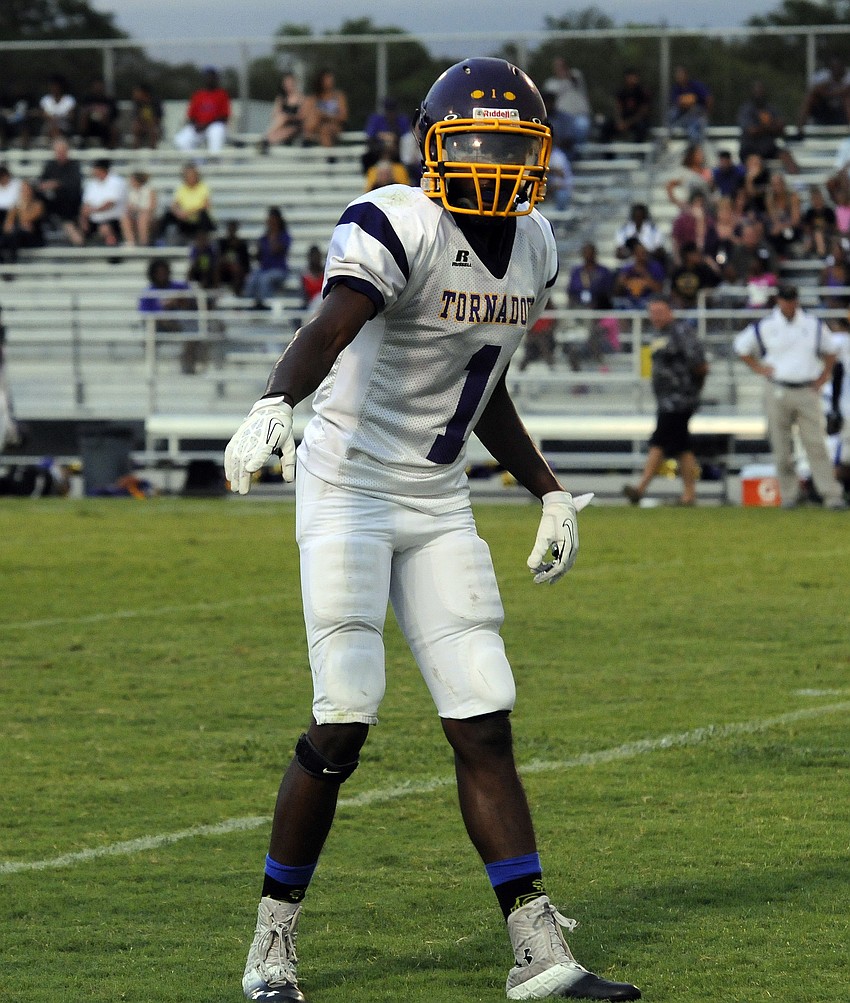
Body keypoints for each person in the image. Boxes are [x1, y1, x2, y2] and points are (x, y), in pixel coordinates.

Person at [223, 56, 641, 1003]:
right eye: (475, 143)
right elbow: (336, 317)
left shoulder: (535, 245)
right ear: (433, 148)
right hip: (348, 488)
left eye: (510, 145)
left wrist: (547, 489)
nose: (493, 162)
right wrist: (275, 399)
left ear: (538, 155)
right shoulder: (397, 219)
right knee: (344, 716)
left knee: (483, 712)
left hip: (438, 495)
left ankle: (537, 951)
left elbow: (480, 382)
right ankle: (270, 946)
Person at [733, 284, 847, 510]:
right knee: (781, 446)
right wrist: (759, 369)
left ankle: (830, 494)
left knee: (815, 444)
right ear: (779, 301)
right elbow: (741, 347)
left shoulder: (812, 324)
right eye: (785, 300)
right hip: (778, 388)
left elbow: (831, 349)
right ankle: (790, 495)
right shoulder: (766, 325)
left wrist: (824, 375)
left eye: (792, 299)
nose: (789, 304)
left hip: (806, 388)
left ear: (796, 300)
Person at [623, 296, 709, 506]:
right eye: (653, 313)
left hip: (678, 401)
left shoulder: (681, 332)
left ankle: (640, 488)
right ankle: (689, 495)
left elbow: (700, 365)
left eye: (660, 312)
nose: (656, 317)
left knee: (659, 441)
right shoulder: (658, 335)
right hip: (666, 400)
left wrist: (692, 391)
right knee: (682, 447)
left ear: (671, 311)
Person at [138, 257, 201, 375]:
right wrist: (163, 311)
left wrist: (177, 300)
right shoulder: (148, 292)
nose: (162, 275)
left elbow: (193, 303)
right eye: (159, 273)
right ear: (153, 274)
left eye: (164, 272)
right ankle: (151, 368)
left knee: (193, 326)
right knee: (150, 329)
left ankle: (188, 361)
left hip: (181, 322)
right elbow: (145, 314)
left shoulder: (179, 287)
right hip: (160, 326)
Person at [736, 80, 798, 175]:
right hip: (751, 149)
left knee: (786, 155)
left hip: (769, 148)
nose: (759, 94)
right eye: (757, 92)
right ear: (752, 93)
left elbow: (781, 126)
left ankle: (797, 182)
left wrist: (765, 127)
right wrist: (770, 126)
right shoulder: (746, 110)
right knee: (756, 162)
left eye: (761, 91)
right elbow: (752, 130)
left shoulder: (770, 108)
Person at [66, 158, 127, 247]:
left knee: (105, 228)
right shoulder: (91, 184)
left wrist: (93, 210)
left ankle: (113, 254)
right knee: (71, 225)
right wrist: (84, 218)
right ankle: (81, 248)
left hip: (113, 220)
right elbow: (86, 204)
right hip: (94, 219)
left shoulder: (116, 181)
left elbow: (110, 203)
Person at [241, 206, 291, 308]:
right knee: (251, 278)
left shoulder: (284, 236)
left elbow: (276, 249)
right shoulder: (264, 237)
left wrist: (273, 235)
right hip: (264, 269)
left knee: (265, 280)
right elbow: (258, 256)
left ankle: (265, 306)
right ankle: (248, 305)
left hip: (279, 270)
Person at [174, 67, 231, 154]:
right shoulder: (198, 94)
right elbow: (191, 116)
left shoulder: (222, 94)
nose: (209, 79)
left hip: (214, 126)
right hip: (199, 127)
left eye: (211, 77)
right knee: (180, 141)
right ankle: (198, 163)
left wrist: (206, 124)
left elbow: (224, 117)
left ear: (216, 79)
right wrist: (197, 125)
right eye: (207, 77)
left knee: (216, 133)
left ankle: (214, 161)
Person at [542, 56, 591, 156]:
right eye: (557, 66)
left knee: (582, 126)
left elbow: (575, 79)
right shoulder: (551, 83)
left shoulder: (575, 76)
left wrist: (565, 73)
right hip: (560, 117)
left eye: (561, 66)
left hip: (578, 115)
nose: (559, 68)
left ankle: (579, 154)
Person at [36, 138, 82, 241]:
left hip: (69, 202)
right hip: (53, 201)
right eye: (58, 152)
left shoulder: (74, 165)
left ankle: (71, 229)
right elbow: (41, 182)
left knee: (69, 196)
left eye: (62, 151)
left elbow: (75, 185)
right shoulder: (50, 165)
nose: (60, 154)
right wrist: (45, 185)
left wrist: (57, 184)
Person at [157, 163, 215, 244]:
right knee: (167, 215)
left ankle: (203, 243)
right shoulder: (181, 188)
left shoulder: (203, 187)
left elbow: (206, 205)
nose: (190, 177)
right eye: (188, 175)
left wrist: (189, 212)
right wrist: (179, 213)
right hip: (185, 220)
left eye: (192, 175)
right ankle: (160, 240)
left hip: (198, 220)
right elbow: (174, 206)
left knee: (203, 215)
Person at [797, 55, 850, 131]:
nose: (835, 69)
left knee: (847, 98)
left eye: (838, 67)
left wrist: (829, 92)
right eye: (833, 67)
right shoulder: (822, 76)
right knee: (810, 97)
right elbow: (814, 90)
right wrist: (832, 89)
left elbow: (846, 91)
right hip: (824, 110)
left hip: (842, 112)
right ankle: (799, 129)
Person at [0, 179, 47, 264]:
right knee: (9, 235)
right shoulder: (15, 206)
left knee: (15, 234)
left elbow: (25, 218)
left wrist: (21, 206)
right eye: (22, 190)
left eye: (26, 190)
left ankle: (11, 262)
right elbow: (7, 225)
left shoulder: (38, 205)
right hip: (17, 236)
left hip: (33, 237)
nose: (24, 192)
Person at [602, 67, 651, 144]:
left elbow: (642, 112)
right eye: (630, 77)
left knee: (642, 128)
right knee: (606, 126)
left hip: (636, 120)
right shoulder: (621, 91)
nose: (632, 79)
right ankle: (607, 154)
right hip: (623, 118)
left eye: (634, 77)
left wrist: (627, 123)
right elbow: (617, 108)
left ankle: (638, 153)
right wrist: (619, 122)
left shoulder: (642, 92)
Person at [300, 68, 348, 148]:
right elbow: (304, 115)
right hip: (316, 126)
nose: (329, 81)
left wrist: (325, 115)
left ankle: (330, 157)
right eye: (326, 79)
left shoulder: (338, 96)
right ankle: (307, 141)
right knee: (315, 118)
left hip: (334, 125)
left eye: (330, 78)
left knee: (325, 129)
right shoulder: (313, 98)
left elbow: (343, 117)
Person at [668, 65, 712, 145]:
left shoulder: (695, 86)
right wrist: (687, 103)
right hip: (683, 114)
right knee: (672, 113)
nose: (678, 77)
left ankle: (696, 149)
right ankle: (669, 136)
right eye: (677, 75)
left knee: (693, 130)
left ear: (686, 75)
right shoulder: (676, 88)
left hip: (696, 114)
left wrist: (705, 113)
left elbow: (708, 99)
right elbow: (677, 103)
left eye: (680, 74)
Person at [262, 72, 305, 149]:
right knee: (280, 122)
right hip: (281, 125)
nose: (288, 85)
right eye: (286, 83)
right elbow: (274, 114)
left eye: (290, 83)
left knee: (285, 122)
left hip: (295, 127)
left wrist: (288, 117)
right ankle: (264, 141)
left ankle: (264, 139)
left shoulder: (301, 98)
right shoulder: (281, 99)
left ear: (295, 83)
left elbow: (302, 116)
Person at [76, 76, 120, 149]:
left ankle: (110, 152)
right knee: (84, 119)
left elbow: (114, 115)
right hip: (89, 125)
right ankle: (82, 147)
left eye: (100, 85)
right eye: (96, 85)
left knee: (113, 130)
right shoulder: (86, 99)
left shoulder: (109, 100)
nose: (98, 87)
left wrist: (104, 116)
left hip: (104, 126)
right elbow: (81, 112)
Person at [120, 170, 157, 247]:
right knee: (124, 217)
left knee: (143, 217)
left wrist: (139, 209)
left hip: (148, 216)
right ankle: (131, 242)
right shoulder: (131, 192)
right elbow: (129, 206)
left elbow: (152, 207)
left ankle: (144, 242)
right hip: (135, 215)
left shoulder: (149, 190)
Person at [217, 219, 251, 295]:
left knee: (236, 268)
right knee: (216, 268)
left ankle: (237, 293)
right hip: (224, 270)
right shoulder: (222, 243)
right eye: (230, 229)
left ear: (236, 230)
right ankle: (216, 292)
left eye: (233, 229)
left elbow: (246, 263)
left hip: (238, 272)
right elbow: (219, 258)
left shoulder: (242, 245)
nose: (231, 231)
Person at [38, 74, 76, 143]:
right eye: (53, 86)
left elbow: (71, 116)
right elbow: (43, 115)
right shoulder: (45, 99)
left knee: (57, 128)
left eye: (56, 86)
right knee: (52, 127)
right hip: (49, 125)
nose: (55, 88)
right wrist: (53, 119)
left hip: (65, 125)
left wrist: (58, 118)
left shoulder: (69, 99)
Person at [130, 83, 163, 149]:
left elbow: (158, 117)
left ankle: (153, 153)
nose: (135, 94)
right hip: (141, 125)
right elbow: (135, 117)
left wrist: (150, 123)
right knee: (136, 128)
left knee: (153, 131)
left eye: (138, 92)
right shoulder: (137, 103)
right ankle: (135, 153)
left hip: (153, 125)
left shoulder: (155, 102)